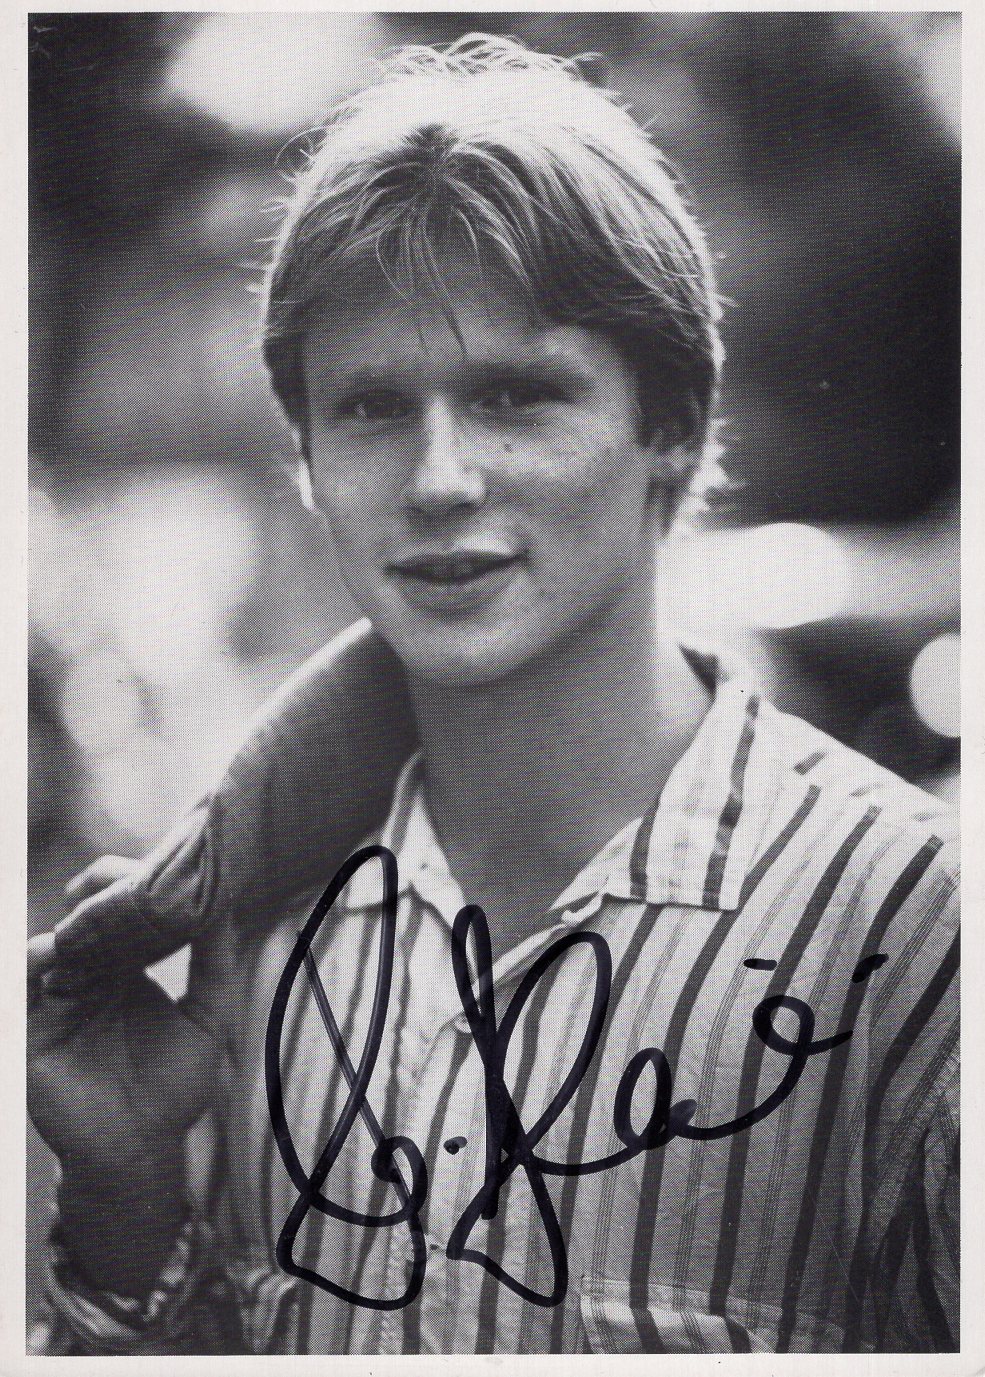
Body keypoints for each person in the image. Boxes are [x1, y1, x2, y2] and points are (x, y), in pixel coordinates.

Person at [28, 35, 958, 1355]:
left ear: (671, 429)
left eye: (517, 395)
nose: (439, 478)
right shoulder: (259, 944)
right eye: (371, 408)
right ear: (306, 461)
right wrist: (125, 1201)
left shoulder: (912, 934)